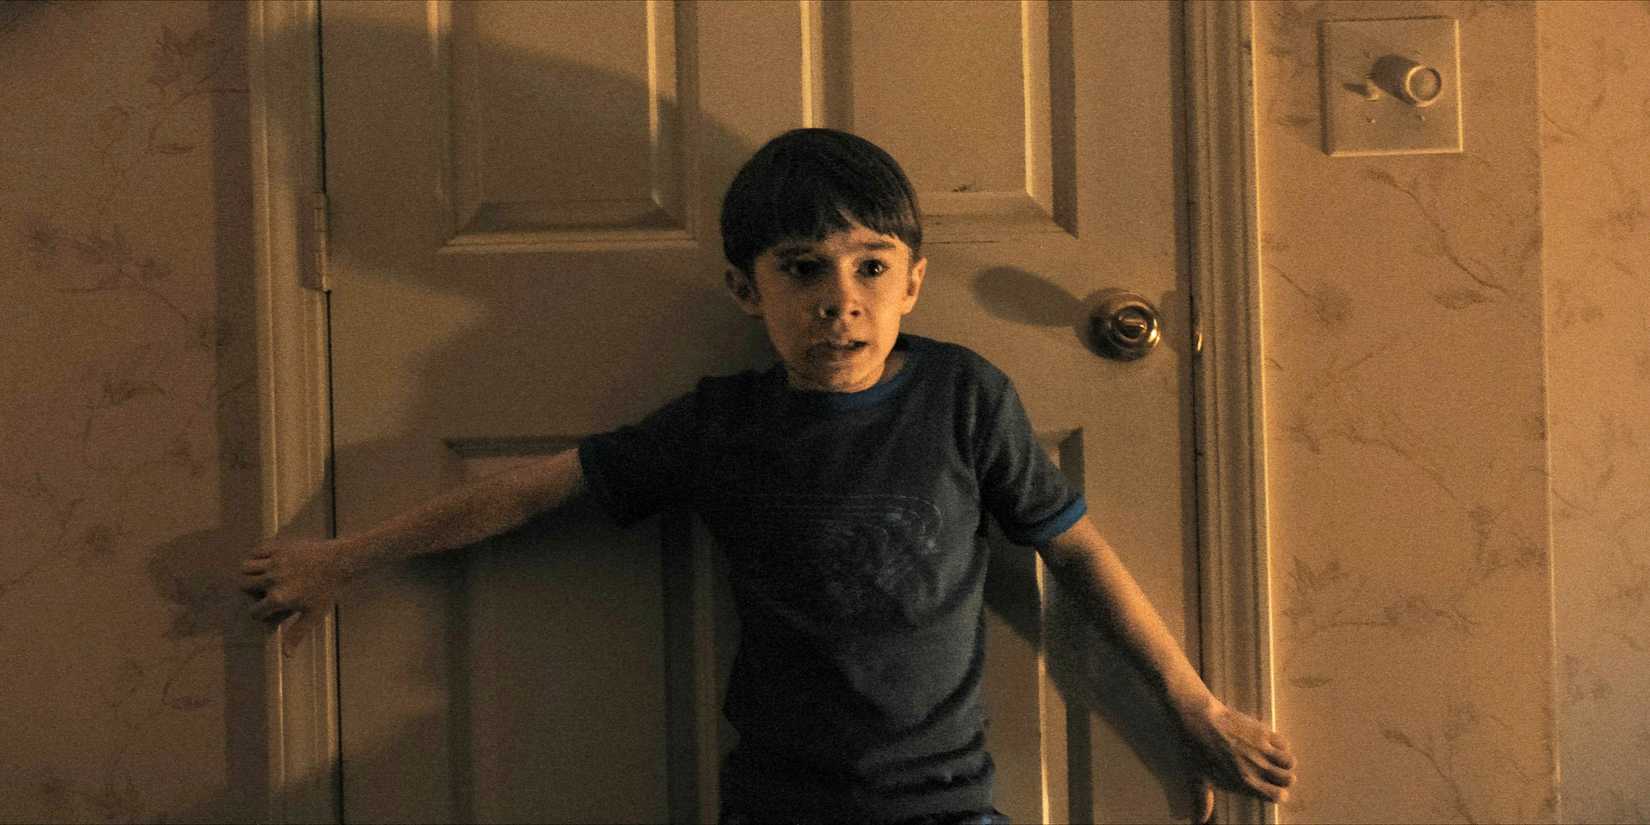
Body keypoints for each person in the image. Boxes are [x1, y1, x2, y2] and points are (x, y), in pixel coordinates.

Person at [242, 128, 1295, 824]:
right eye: (802, 269)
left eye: (871, 267)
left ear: (913, 283)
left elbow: (1077, 551)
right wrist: (346, 558)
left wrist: (1192, 706)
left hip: (945, 804)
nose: (841, 298)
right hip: (779, 805)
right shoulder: (722, 425)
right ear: (746, 290)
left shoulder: (962, 398)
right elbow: (530, 490)